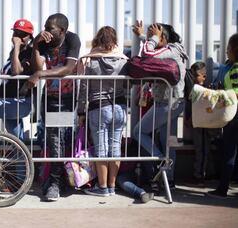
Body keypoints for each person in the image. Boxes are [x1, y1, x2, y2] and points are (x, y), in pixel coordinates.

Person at [23, 13, 81, 201]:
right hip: (48, 98)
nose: (46, 31)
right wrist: (37, 45)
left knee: (60, 141)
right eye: (45, 27)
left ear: (62, 30)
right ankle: (57, 181)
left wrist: (40, 74)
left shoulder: (72, 39)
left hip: (65, 100)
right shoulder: (44, 41)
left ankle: (57, 183)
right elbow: (35, 66)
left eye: (50, 28)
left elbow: (68, 69)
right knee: (53, 141)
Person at [131, 21, 188, 187]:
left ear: (163, 37)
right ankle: (169, 180)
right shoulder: (175, 49)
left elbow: (149, 53)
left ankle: (162, 162)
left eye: (155, 36)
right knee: (169, 142)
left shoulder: (171, 50)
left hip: (166, 104)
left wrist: (152, 39)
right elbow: (155, 50)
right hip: (176, 103)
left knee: (138, 131)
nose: (152, 39)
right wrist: (143, 36)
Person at [76, 26, 128, 196]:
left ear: (98, 39)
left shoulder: (90, 60)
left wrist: (81, 112)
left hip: (99, 107)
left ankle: (102, 186)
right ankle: (112, 186)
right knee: (115, 148)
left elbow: (84, 88)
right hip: (120, 107)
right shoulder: (123, 60)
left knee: (101, 148)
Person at [0, 19, 34, 139]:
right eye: (16, 33)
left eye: (22, 34)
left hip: (21, 102)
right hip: (9, 101)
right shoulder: (14, 51)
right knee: (17, 142)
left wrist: (17, 46)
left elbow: (16, 71)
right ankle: (23, 156)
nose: (18, 37)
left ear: (29, 37)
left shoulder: (30, 52)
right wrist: (16, 49)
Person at [208, 33, 238, 199]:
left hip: (234, 115)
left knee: (229, 152)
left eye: (228, 48)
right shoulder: (230, 66)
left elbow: (236, 91)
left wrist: (223, 93)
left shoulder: (235, 69)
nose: (226, 52)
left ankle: (222, 189)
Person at [184, 61, 212, 186]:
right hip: (197, 122)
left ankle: (201, 175)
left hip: (205, 123)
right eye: (194, 75)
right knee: (199, 149)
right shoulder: (193, 87)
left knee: (204, 149)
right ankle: (198, 175)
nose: (195, 78)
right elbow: (190, 103)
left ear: (204, 76)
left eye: (197, 75)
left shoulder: (208, 88)